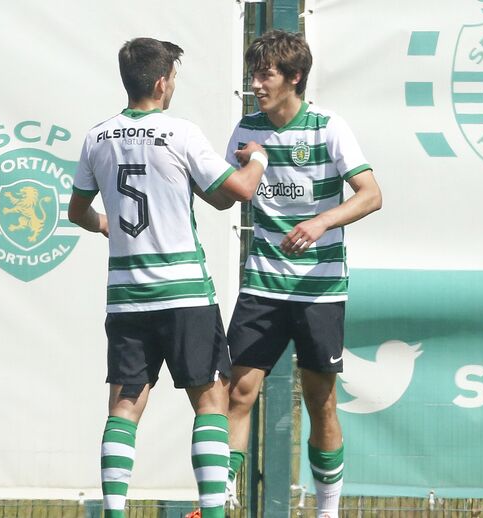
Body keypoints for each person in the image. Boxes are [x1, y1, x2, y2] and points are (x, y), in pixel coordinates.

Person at [67, 37, 267, 518]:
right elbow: (239, 191)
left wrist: (104, 222)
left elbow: (77, 211)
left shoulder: (97, 137)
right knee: (212, 401)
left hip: (127, 298)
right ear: (161, 82)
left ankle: (115, 511)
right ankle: (213, 512)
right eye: (173, 77)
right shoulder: (180, 133)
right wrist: (258, 158)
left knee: (124, 407)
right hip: (184, 293)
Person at [219, 30, 382, 518]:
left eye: (265, 75)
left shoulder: (328, 127)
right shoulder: (246, 129)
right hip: (262, 284)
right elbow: (224, 195)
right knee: (237, 392)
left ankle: (327, 510)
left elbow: (371, 194)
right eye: (253, 74)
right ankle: (218, 500)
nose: (255, 84)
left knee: (320, 401)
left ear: (294, 77)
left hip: (319, 288)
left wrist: (320, 221)